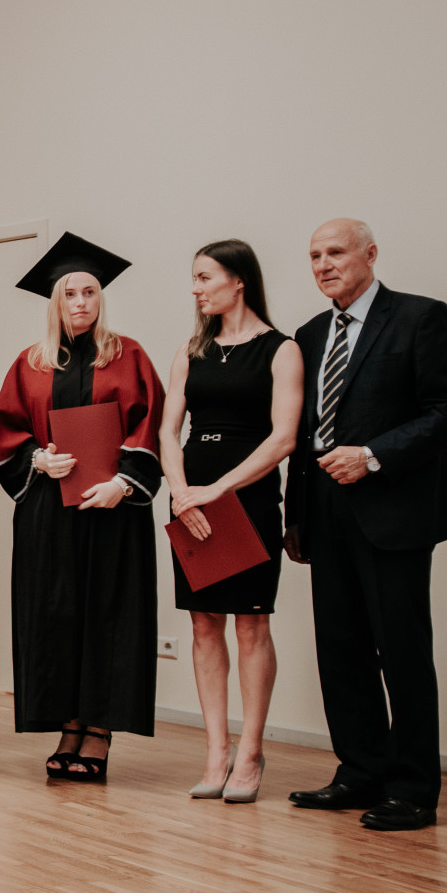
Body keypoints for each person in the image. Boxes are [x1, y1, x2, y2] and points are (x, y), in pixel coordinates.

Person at [284, 219, 447, 832]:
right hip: (324, 510)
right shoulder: (310, 334)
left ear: (370, 253)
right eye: (315, 255)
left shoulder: (421, 317)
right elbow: (304, 431)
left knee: (403, 653)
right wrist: (295, 515)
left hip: (393, 509)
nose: (323, 264)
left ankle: (413, 789)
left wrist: (372, 455)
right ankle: (359, 772)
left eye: (336, 252)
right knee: (341, 651)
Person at [0, 233, 164, 783]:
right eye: (70, 293)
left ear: (101, 297)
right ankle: (69, 725)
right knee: (57, 615)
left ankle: (100, 730)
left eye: (89, 292)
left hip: (113, 512)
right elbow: (5, 432)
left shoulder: (129, 356)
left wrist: (124, 484)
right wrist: (38, 459)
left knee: (109, 614)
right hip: (49, 514)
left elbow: (151, 425)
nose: (80, 302)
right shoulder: (31, 363)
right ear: (55, 301)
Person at [158, 240, 302, 804]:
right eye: (194, 278)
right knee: (203, 626)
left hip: (248, 499)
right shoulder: (190, 350)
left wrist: (217, 490)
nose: (195, 288)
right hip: (190, 501)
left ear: (238, 280)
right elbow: (169, 431)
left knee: (250, 626)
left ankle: (251, 752)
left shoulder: (282, 349)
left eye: (204, 277)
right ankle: (217, 752)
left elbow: (284, 438)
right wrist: (180, 493)